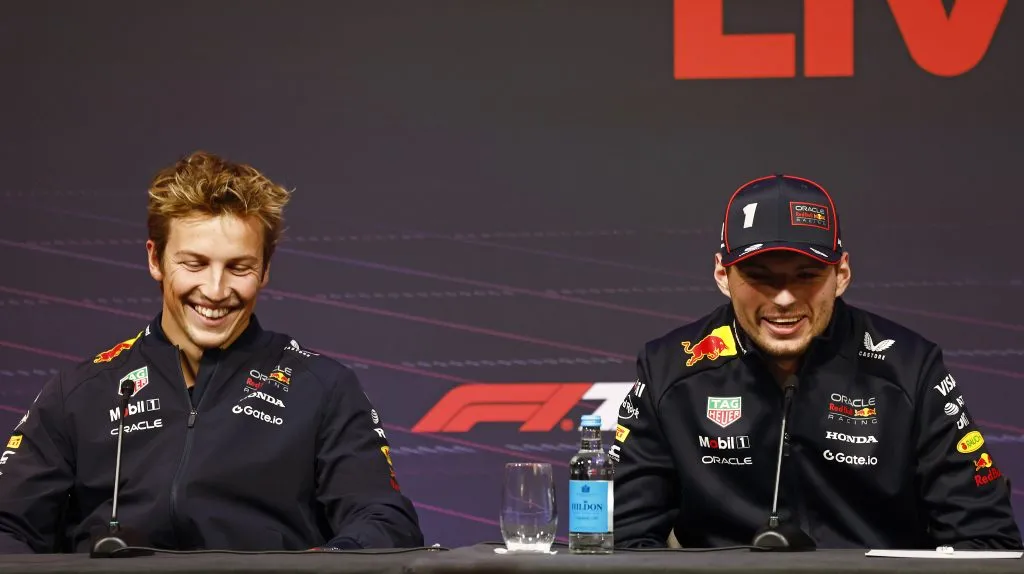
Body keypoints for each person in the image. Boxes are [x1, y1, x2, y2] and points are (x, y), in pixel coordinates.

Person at [0, 151, 425, 553]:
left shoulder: (323, 388)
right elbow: (7, 525)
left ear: (265, 269)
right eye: (195, 264)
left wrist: (321, 564)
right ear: (155, 259)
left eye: (239, 267)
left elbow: (384, 521)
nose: (216, 290)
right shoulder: (80, 392)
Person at [611, 173, 1022, 550]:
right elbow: (622, 542)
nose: (784, 298)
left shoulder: (910, 369)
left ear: (842, 273)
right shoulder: (668, 369)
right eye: (760, 276)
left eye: (806, 275)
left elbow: (988, 540)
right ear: (722, 274)